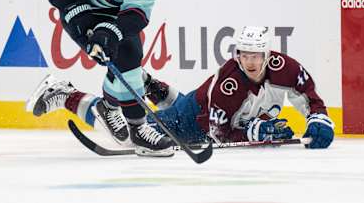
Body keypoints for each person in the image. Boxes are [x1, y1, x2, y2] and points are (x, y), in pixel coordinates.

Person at [27, 26, 335, 151]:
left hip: (200, 103)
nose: (250, 62)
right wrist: (256, 132)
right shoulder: (230, 84)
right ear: (237, 54)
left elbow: (309, 97)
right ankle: (65, 94)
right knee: (126, 136)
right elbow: (217, 133)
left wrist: (318, 120)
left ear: (268, 55)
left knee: (186, 102)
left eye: (256, 56)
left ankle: (151, 86)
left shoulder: (287, 68)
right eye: (244, 55)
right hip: (192, 122)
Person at [26, 0, 175, 157]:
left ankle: (76, 98)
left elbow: (137, 14)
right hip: (81, 14)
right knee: (128, 59)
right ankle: (139, 129)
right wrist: (85, 22)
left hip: (116, 20)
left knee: (128, 56)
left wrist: (109, 31)